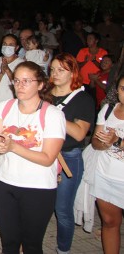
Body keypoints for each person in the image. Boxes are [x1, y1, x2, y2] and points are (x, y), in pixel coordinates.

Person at [0, 62, 66, 254]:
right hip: (5, 183)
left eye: (26, 81)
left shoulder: (53, 115)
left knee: (32, 245)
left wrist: (14, 146)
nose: (20, 85)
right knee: (9, 243)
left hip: (37, 188)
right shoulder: (4, 108)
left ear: (40, 84)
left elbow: (48, 158)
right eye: (16, 80)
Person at [49, 53, 95, 254]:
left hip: (68, 157)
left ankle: (63, 250)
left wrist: (53, 113)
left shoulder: (82, 98)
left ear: (73, 72)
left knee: (62, 210)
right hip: (44, 155)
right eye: (52, 69)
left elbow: (79, 133)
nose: (55, 74)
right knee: (39, 204)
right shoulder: (46, 93)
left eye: (61, 70)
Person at [90, 74, 124, 254]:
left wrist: (116, 140)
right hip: (105, 175)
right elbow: (95, 142)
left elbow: (115, 140)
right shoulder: (108, 110)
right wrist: (102, 142)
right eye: (122, 89)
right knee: (110, 223)